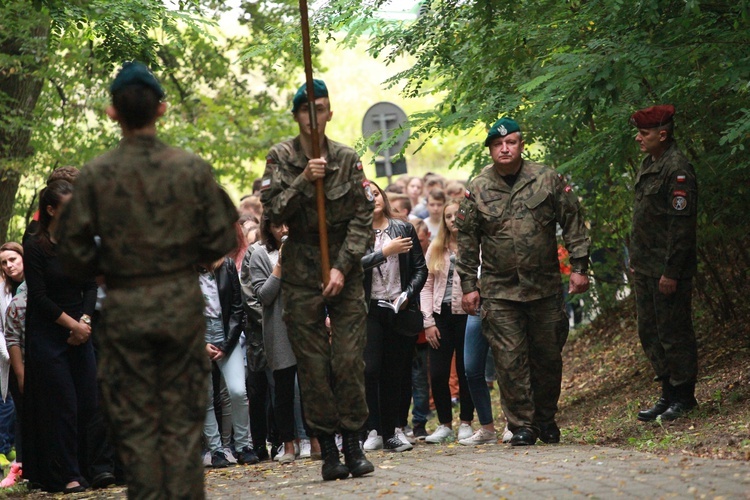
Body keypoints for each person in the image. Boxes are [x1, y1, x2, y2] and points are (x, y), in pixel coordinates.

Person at [56, 62, 238, 499]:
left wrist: (107, 266)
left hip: (125, 309)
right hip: (179, 304)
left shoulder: (96, 175)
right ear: (161, 109)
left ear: (111, 112)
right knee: (182, 421)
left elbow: (69, 249)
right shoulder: (190, 168)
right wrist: (180, 259)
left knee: (136, 424)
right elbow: (223, 235)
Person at [259, 79, 374, 481]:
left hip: (344, 263)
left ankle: (355, 443)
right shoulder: (281, 157)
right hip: (300, 269)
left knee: (346, 359)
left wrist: (342, 266)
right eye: (306, 109)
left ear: (329, 112)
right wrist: (304, 179)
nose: (313, 116)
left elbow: (363, 217)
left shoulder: (346, 157)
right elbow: (272, 212)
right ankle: (328, 449)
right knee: (312, 364)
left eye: (320, 108)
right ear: (296, 115)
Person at [456, 117, 591, 446]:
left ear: (521, 145)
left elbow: (572, 220)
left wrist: (579, 267)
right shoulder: (478, 188)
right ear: (490, 149)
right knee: (509, 359)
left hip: (544, 287)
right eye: (498, 144)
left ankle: (546, 418)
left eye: (511, 142)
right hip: (499, 290)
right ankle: (522, 425)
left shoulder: (546, 178)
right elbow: (466, 240)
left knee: (547, 356)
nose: (505, 148)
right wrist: (468, 286)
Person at [22, 180, 98, 493]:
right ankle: (67, 473)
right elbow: (38, 297)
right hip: (49, 333)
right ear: (52, 210)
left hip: (80, 327)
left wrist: (85, 322)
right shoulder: (34, 245)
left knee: (87, 402)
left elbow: (91, 284)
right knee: (62, 404)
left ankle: (87, 467)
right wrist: (72, 326)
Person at [629, 105, 698, 422]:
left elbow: (681, 226)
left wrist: (671, 271)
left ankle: (684, 395)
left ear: (663, 134)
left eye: (644, 133)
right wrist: (635, 260)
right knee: (650, 332)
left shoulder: (677, 168)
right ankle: (667, 393)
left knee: (674, 332)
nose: (639, 139)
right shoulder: (649, 163)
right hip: (645, 267)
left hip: (667, 270)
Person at [361, 181, 426, 453]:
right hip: (369, 308)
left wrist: (407, 294)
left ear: (383, 197)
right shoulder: (356, 233)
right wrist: (384, 252)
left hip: (399, 307)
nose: (373, 198)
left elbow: (420, 269)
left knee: (394, 373)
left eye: (376, 193)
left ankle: (391, 432)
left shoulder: (403, 227)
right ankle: (373, 428)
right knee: (370, 369)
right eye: (366, 195)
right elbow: (351, 266)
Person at [250, 217, 320, 464]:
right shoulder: (259, 255)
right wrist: (280, 263)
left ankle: (315, 441)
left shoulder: (304, 248)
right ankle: (288, 444)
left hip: (305, 325)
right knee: (283, 389)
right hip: (278, 330)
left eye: (288, 224)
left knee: (310, 387)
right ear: (268, 227)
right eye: (278, 225)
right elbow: (264, 296)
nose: (285, 229)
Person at [421, 200, 475, 443]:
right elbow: (426, 285)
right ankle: (444, 424)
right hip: (440, 317)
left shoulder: (475, 245)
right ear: (443, 221)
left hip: (467, 315)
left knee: (466, 371)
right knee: (439, 373)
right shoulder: (436, 247)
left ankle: (466, 422)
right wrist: (428, 321)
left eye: (457, 215)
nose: (453, 219)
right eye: (448, 216)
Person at [197, 256, 258, 468]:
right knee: (206, 397)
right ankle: (216, 451)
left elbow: (237, 308)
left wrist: (226, 345)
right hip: (199, 338)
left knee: (238, 391)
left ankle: (243, 446)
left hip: (227, 336)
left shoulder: (227, 265)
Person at [0, 242, 24, 473]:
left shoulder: (34, 284)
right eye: (4, 263)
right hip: (9, 358)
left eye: (13, 260)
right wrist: (9, 353)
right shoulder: (2, 290)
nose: (9, 266)